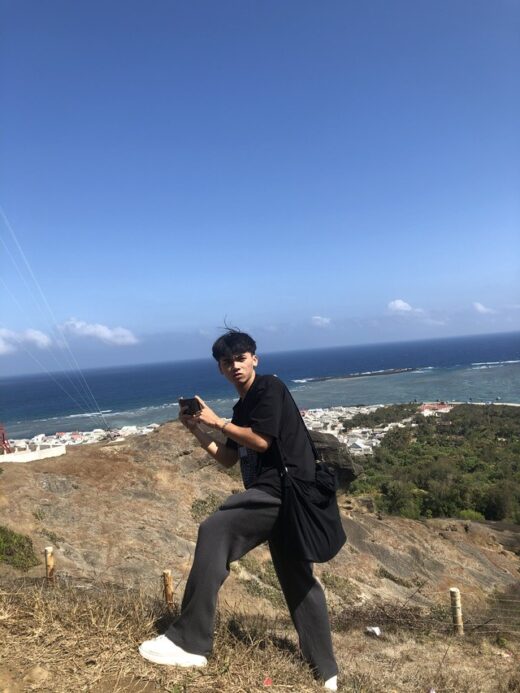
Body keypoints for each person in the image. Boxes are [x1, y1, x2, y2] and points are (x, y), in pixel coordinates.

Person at [139, 329, 338, 690]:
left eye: (241, 358)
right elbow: (229, 458)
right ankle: (326, 673)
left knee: (216, 529)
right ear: (220, 369)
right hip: (282, 496)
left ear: (254, 359)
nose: (235, 366)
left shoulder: (269, 389)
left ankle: (190, 643)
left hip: (282, 489)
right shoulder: (241, 409)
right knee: (297, 578)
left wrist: (217, 422)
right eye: (227, 362)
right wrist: (199, 431)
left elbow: (261, 441)